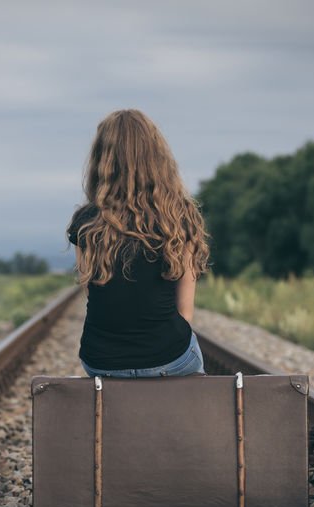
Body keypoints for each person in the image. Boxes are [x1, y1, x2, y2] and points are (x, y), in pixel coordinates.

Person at [67, 108, 211, 378]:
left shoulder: (86, 223)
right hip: (170, 358)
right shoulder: (180, 216)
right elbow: (185, 313)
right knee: (193, 357)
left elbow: (98, 299)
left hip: (101, 361)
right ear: (158, 158)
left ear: (102, 159)